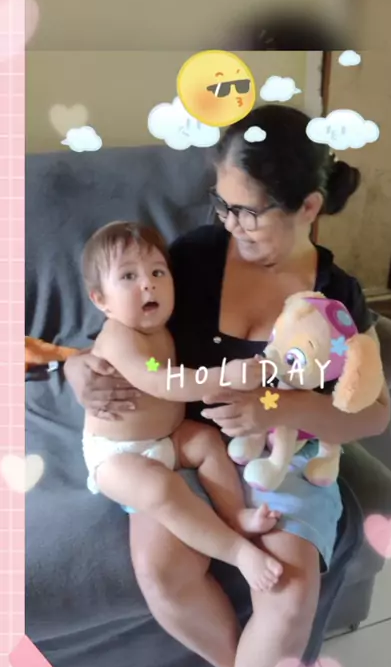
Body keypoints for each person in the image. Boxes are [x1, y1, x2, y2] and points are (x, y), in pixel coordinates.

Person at [65, 104, 391, 667]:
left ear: (308, 207)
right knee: (163, 573)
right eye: (222, 204)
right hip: (185, 442)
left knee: (288, 589)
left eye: (248, 212)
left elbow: (373, 413)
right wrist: (78, 368)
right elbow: (125, 327)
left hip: (284, 453)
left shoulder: (335, 296)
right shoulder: (194, 257)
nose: (231, 223)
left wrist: (276, 408)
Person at [80, 221, 283, 592]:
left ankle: (236, 514)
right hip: (117, 455)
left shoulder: (161, 329)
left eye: (158, 272)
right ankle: (236, 551)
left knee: (206, 441)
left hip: (167, 438)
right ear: (101, 300)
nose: (148, 284)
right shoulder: (120, 338)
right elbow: (162, 381)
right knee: (160, 490)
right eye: (128, 276)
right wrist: (225, 376)